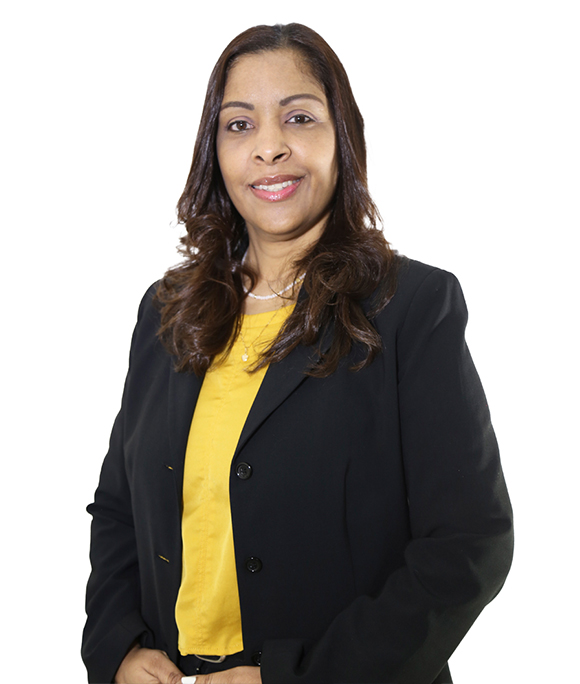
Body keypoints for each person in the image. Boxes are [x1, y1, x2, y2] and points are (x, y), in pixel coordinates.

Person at [82, 23, 513, 684]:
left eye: (299, 118)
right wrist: (116, 646)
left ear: (343, 137)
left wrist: (298, 677)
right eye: (239, 125)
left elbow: (469, 545)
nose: (269, 148)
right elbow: (118, 508)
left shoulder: (411, 307)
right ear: (214, 151)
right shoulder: (167, 310)